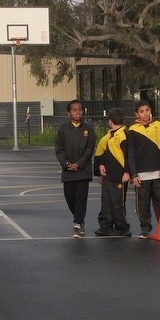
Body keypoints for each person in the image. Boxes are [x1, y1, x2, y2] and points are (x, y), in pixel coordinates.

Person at [55, 100, 97, 238]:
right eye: (74, 110)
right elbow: (59, 149)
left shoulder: (88, 129)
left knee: (81, 197)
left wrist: (78, 164)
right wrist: (67, 164)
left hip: (82, 171)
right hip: (68, 172)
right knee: (70, 198)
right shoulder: (63, 129)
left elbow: (89, 150)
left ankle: (78, 224)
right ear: (69, 113)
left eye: (79, 109)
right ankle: (79, 218)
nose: (77, 112)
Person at [128, 100, 160, 239]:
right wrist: (134, 174)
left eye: (147, 110)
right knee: (143, 203)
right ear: (137, 114)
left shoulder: (158, 126)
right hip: (141, 175)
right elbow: (131, 154)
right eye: (141, 111)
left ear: (150, 110)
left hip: (158, 173)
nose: (145, 113)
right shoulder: (132, 130)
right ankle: (145, 229)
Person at [93, 108, 131, 237]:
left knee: (117, 202)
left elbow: (128, 156)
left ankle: (122, 227)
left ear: (110, 121)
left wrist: (127, 172)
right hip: (108, 176)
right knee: (106, 201)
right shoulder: (108, 137)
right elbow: (103, 155)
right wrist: (100, 168)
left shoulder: (123, 136)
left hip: (119, 176)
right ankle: (106, 226)